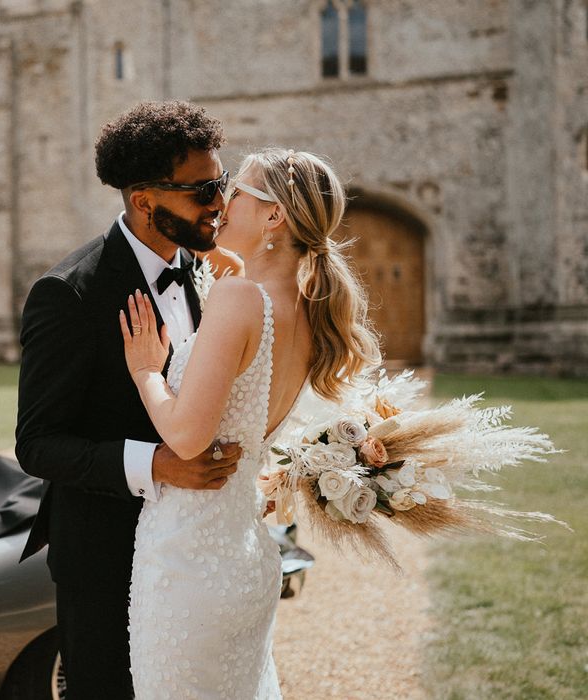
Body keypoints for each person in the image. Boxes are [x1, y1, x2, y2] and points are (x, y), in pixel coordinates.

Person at [120, 147, 382, 698]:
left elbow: (188, 438)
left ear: (273, 216)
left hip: (188, 560)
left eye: (237, 190)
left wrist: (147, 372)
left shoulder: (239, 299)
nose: (222, 202)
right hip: (243, 556)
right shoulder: (307, 308)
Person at [15, 100, 244, 698]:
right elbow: (38, 445)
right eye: (202, 191)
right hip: (104, 553)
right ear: (145, 201)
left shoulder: (207, 271)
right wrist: (156, 465)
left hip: (194, 543)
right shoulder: (68, 293)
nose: (219, 203)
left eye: (220, 184)